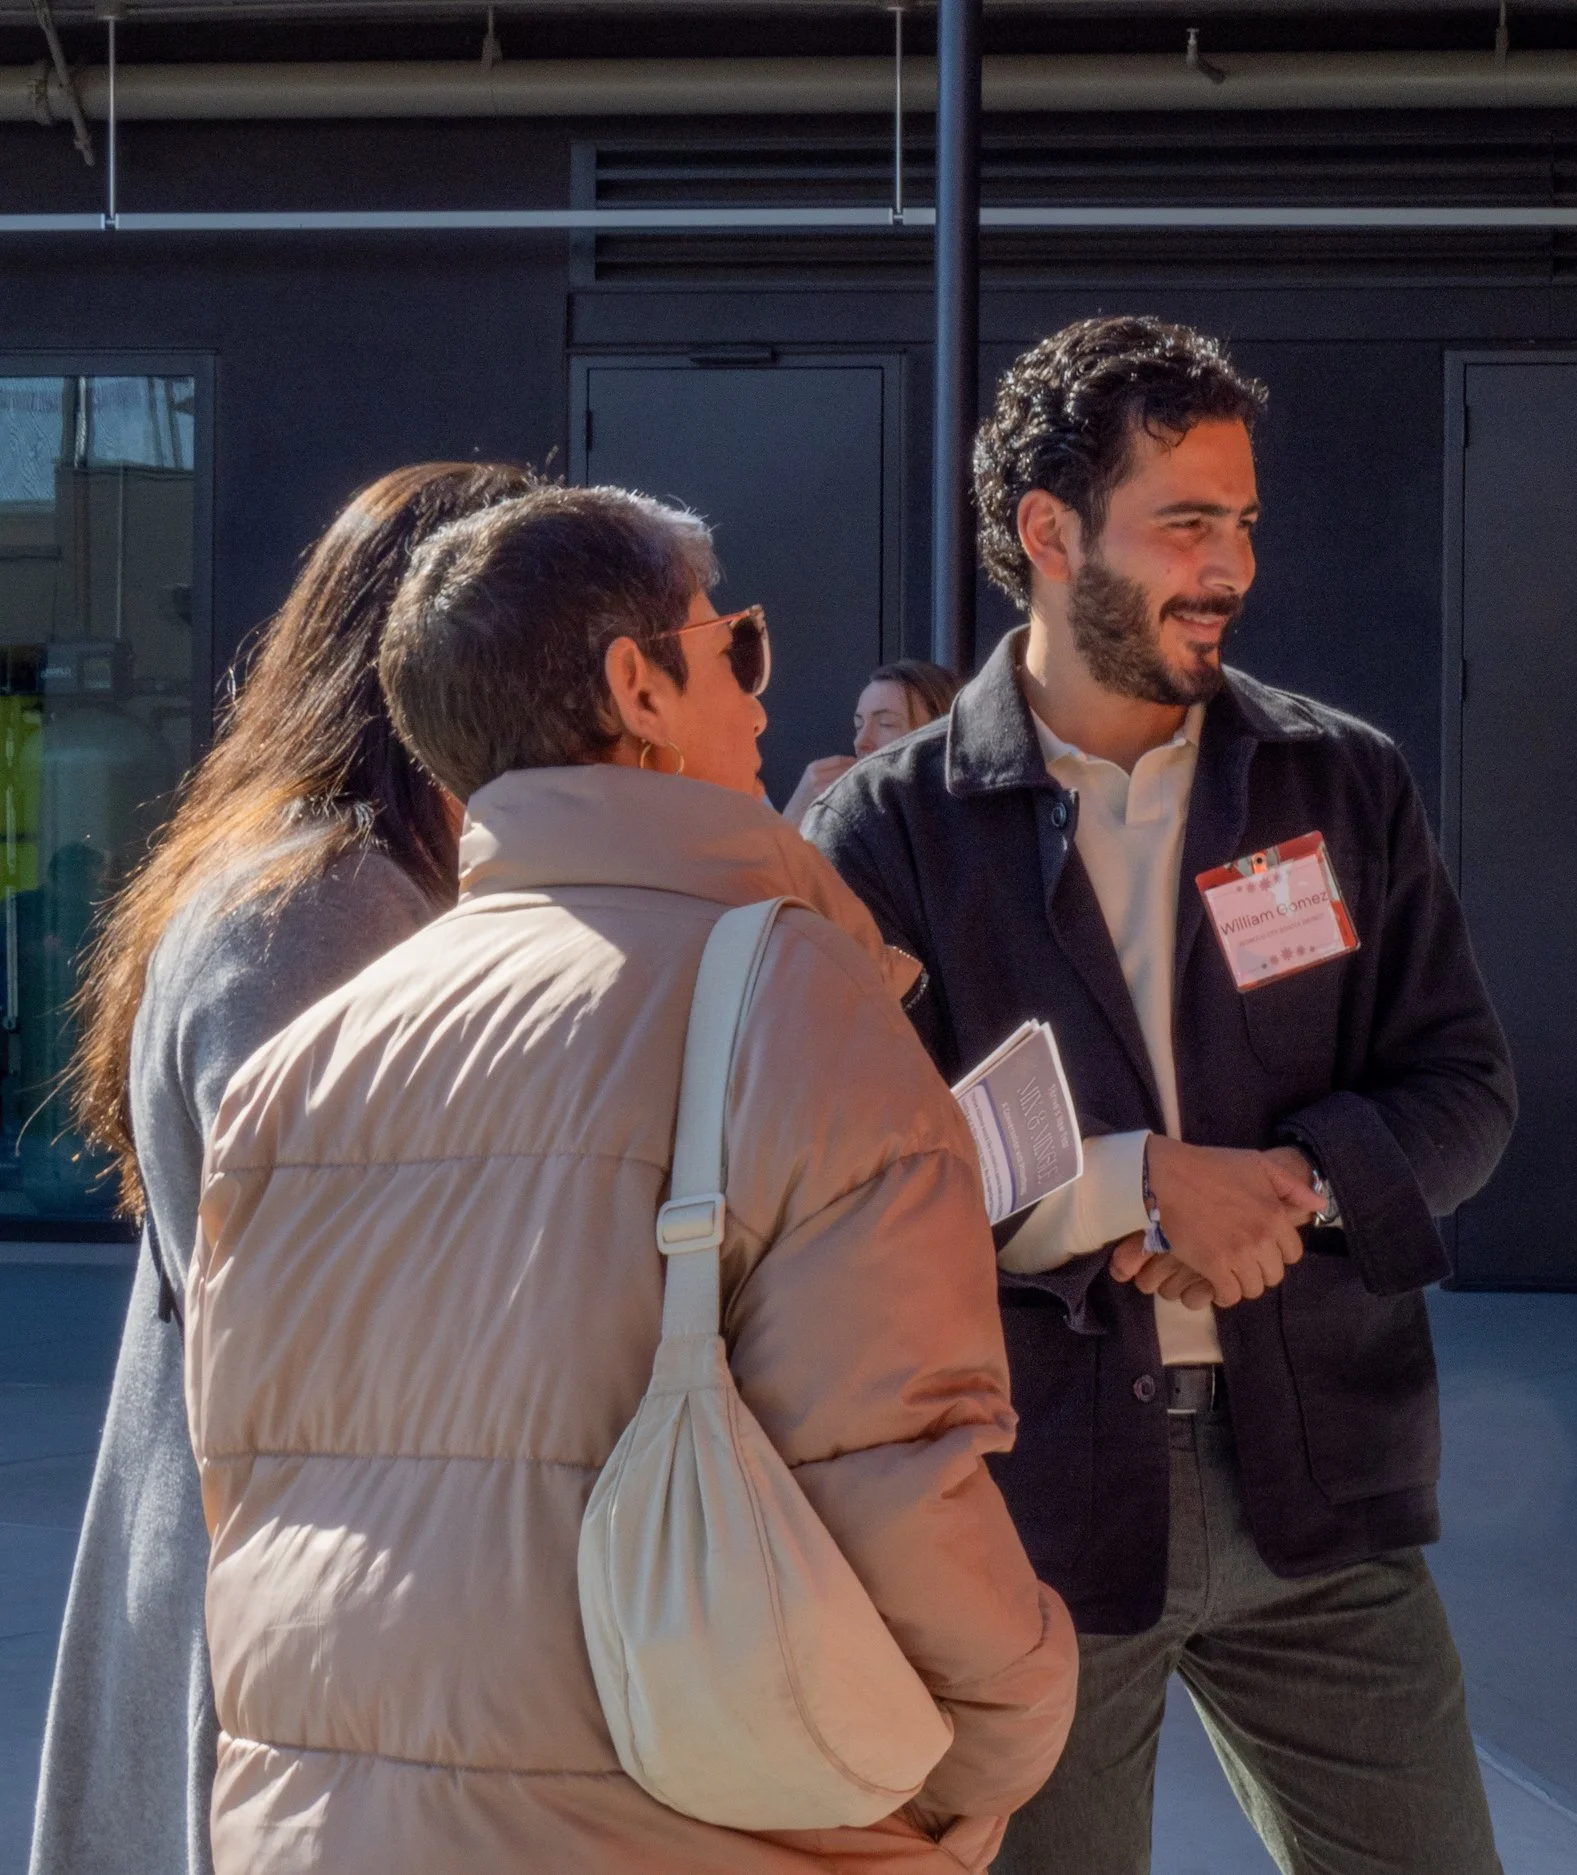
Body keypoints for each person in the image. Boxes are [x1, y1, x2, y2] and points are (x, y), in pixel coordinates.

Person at [185, 485, 1076, 1873]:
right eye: (740, 648)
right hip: (695, 1819)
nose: (767, 699)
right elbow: (897, 1478)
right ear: (637, 686)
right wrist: (1015, 1722)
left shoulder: (302, 1063)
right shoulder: (792, 998)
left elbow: (250, 1488)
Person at [810, 316, 1517, 1875]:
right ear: (1050, 534)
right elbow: (863, 1168)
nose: (1230, 567)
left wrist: (1297, 1184)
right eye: (1184, 522)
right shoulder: (892, 833)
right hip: (1034, 1510)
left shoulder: (1340, 782)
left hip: (1323, 1495)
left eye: (1244, 520)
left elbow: (1463, 1086)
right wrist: (1137, 1179)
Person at [29, 460, 533, 1875]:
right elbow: (339, 1311)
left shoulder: (330, 874)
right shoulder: (327, 905)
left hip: (273, 1582)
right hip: (273, 1609)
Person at [780, 657, 965, 825]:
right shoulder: (850, 825)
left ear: (940, 735)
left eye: (886, 724)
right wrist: (796, 816)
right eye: (858, 725)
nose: (860, 742)